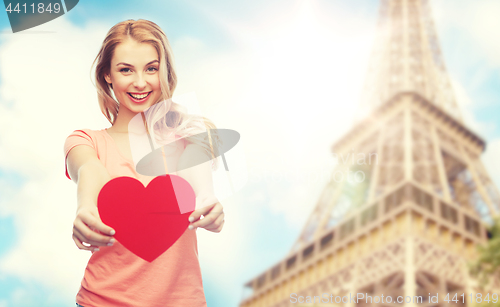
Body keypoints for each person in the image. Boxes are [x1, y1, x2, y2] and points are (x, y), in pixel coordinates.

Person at [63, 19, 224, 307]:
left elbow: (199, 181)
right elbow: (90, 170)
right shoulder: (86, 140)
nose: (140, 82)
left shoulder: (188, 136)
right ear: (107, 76)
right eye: (126, 70)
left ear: (164, 72)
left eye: (151, 68)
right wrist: (85, 206)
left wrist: (208, 199)